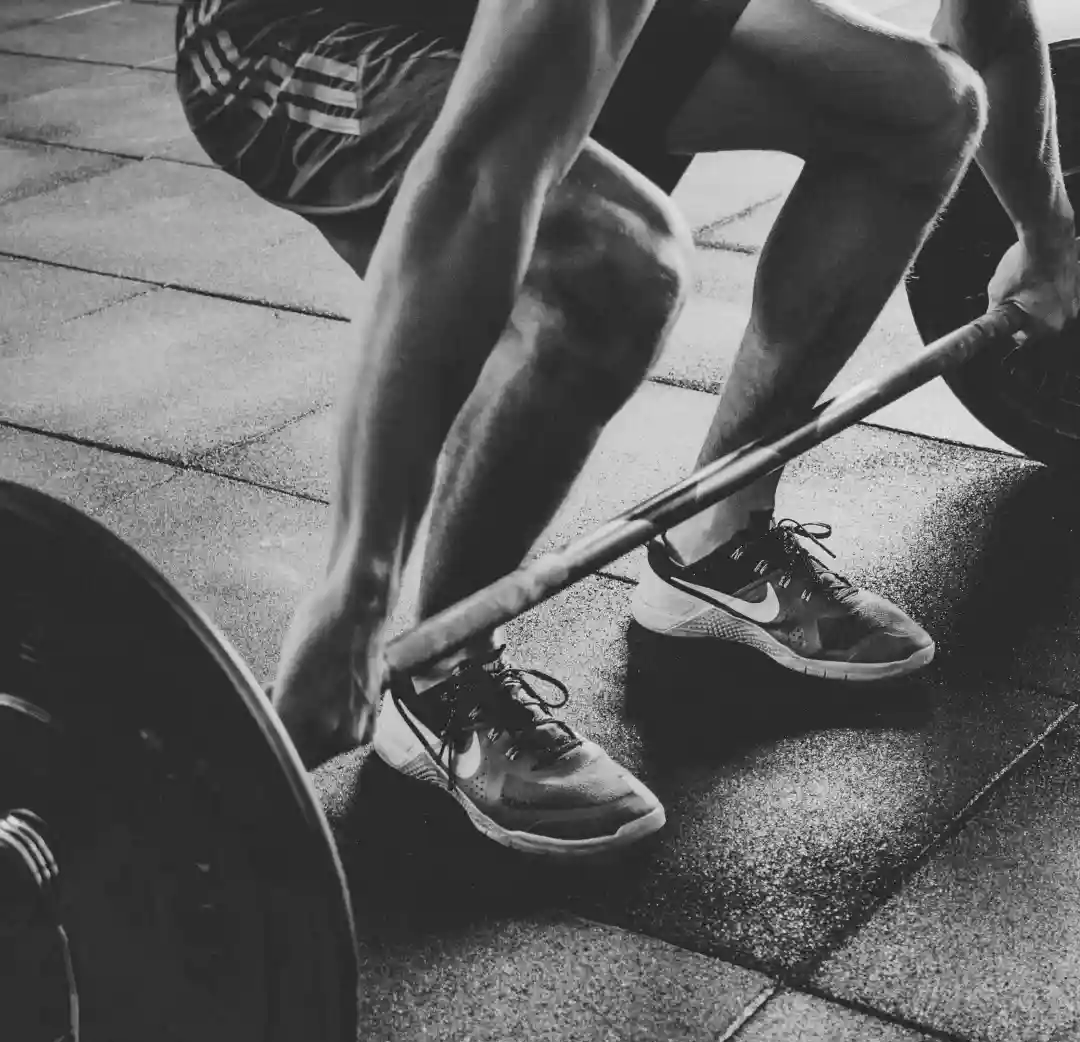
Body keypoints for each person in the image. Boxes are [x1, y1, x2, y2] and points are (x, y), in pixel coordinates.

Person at [176, 0, 1079, 857]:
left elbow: (988, 35)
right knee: (614, 264)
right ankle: (442, 666)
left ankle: (716, 534)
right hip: (295, 33)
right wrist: (356, 582)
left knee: (924, 107)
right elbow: (483, 176)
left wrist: (1044, 234)